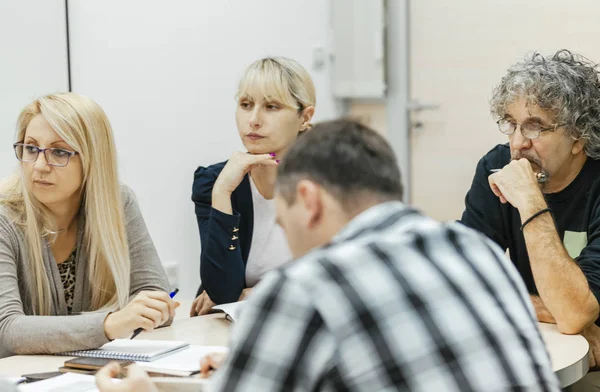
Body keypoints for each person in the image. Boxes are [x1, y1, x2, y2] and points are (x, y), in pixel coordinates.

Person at [97, 120, 559, 391]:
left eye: (285, 216)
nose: (283, 230)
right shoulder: (477, 253)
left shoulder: (307, 288)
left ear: (310, 200)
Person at [460, 50, 600, 389]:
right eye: (511, 124)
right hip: (546, 343)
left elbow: (572, 312)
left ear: (578, 137)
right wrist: (560, 314)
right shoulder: (496, 167)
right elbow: (459, 281)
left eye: (535, 127)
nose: (517, 143)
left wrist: (530, 201)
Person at [0, 93, 177, 359]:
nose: (39, 166)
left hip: (79, 374)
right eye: (31, 148)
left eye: (59, 152)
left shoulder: (117, 203)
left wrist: (149, 309)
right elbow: (8, 330)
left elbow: (153, 295)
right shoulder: (4, 218)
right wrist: (111, 324)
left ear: (93, 158)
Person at [190, 57, 315, 316]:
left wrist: (260, 293)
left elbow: (336, 280)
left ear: (305, 117)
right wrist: (222, 193)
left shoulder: (328, 181)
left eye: (271, 106)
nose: (254, 120)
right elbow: (223, 293)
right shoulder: (214, 181)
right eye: (246, 105)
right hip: (233, 329)